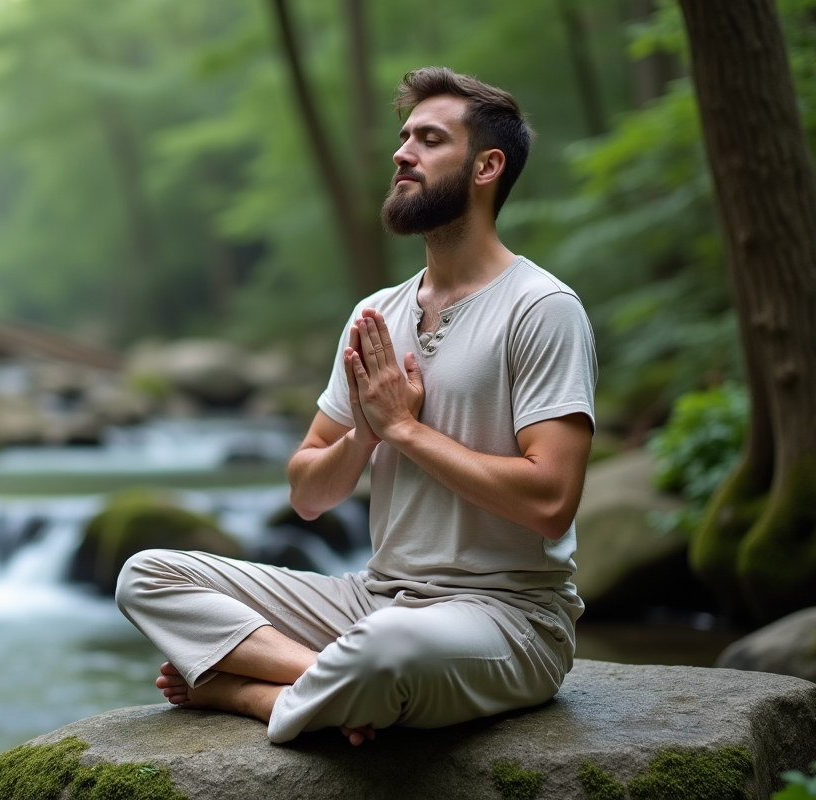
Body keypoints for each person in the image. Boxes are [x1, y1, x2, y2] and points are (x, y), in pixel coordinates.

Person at [115, 66, 597, 746]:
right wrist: (364, 436)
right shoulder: (376, 314)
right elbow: (307, 494)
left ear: (487, 167)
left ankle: (244, 692)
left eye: (430, 140)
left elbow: (551, 501)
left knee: (385, 647)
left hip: (507, 616)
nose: (403, 153)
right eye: (405, 137)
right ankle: (325, 683)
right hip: (373, 598)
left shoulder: (541, 308)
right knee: (146, 575)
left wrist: (403, 429)